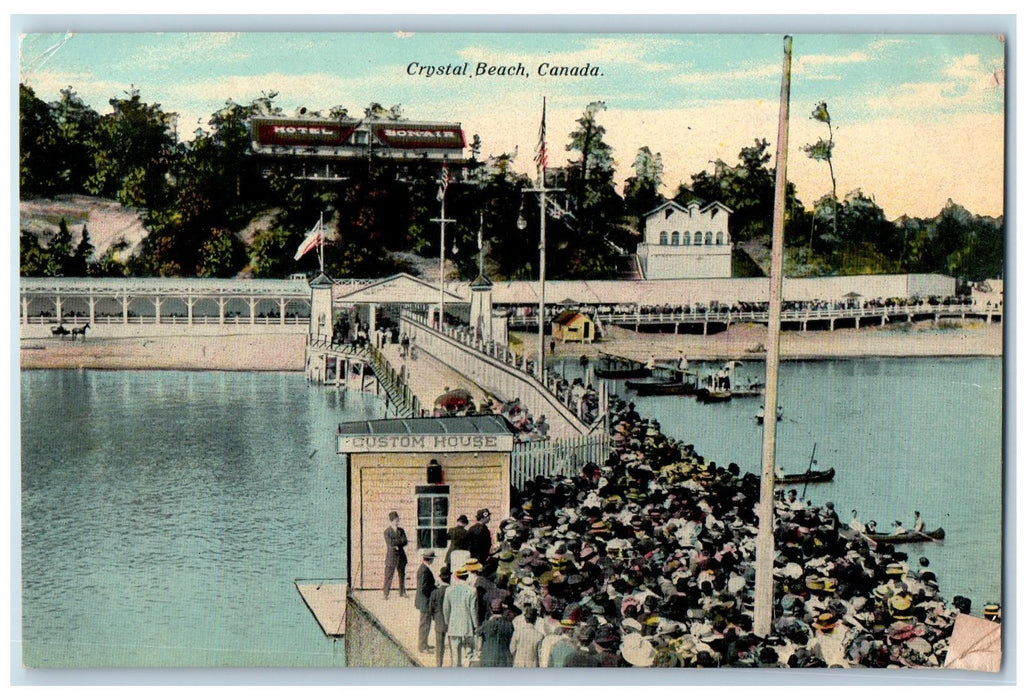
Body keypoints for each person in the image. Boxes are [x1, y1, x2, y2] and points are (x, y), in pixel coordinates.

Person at [443, 567, 478, 667]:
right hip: (467, 625)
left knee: (455, 652)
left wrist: (448, 622)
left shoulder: (449, 590)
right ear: (466, 577)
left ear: (456, 577)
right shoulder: (472, 590)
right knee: (468, 652)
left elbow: (446, 609)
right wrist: (475, 625)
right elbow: (473, 610)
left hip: (453, 624)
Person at [478, 598, 514, 667]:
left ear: (491, 610)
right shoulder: (509, 625)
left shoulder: (486, 624)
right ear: (502, 610)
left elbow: (479, 635)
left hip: (488, 657)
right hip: (504, 658)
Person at [428, 566, 451, 666]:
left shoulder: (435, 592)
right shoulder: (453, 591)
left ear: (441, 578)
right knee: (453, 646)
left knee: (439, 645)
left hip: (439, 621)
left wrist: (434, 617)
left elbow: (430, 609)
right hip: (451, 622)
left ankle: (439, 665)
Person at [415, 550, 437, 653]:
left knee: (426, 624)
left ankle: (425, 644)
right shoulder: (424, 570)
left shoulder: (423, 568)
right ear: (430, 559)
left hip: (424, 601)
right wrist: (434, 588)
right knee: (424, 624)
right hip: (425, 601)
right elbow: (424, 588)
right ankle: (422, 646)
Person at [383, 511, 408, 599]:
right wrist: (397, 543)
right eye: (395, 520)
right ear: (391, 521)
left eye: (398, 520)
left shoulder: (401, 530)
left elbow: (405, 541)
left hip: (401, 556)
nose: (397, 522)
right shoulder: (387, 532)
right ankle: (385, 594)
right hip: (391, 557)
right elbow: (390, 543)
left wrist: (396, 544)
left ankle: (402, 592)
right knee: (388, 576)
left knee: (402, 575)